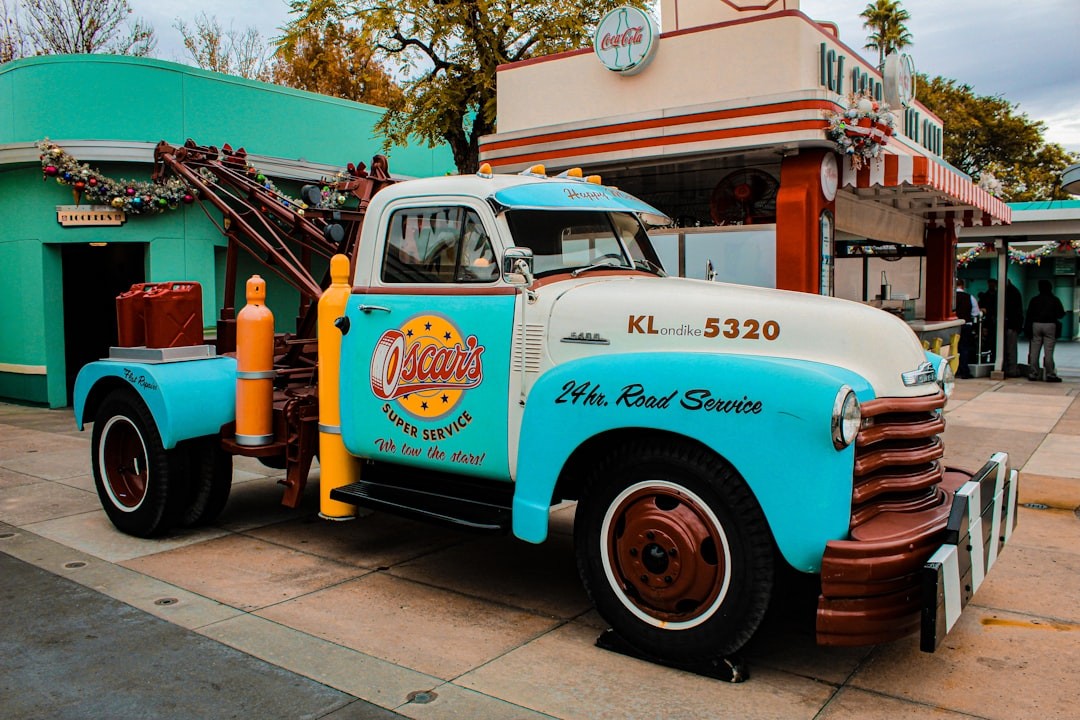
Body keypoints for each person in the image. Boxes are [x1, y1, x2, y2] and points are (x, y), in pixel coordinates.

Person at [1024, 279, 1066, 383]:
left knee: (1034, 350)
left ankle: (1033, 373)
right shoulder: (1055, 300)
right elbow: (1061, 314)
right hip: (1050, 325)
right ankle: (1050, 374)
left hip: (1036, 325)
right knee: (1049, 352)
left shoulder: (1034, 300)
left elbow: (1029, 314)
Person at [954, 279, 979, 379]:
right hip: (966, 325)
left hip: (953, 325)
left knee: (953, 348)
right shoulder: (970, 297)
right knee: (964, 348)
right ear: (963, 286)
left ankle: (954, 369)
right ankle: (964, 371)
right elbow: (975, 313)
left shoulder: (951, 297)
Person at [1003, 279, 1024, 377]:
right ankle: (1012, 369)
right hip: (1014, 324)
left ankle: (1010, 369)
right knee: (1011, 348)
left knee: (1009, 348)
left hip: (1010, 324)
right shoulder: (1015, 293)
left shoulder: (1009, 294)